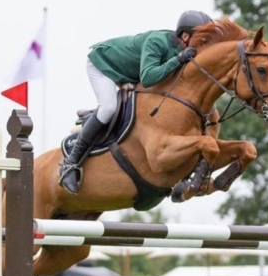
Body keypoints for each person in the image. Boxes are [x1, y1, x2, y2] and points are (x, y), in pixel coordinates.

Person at [59, 10, 214, 194]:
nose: (205, 45)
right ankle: (70, 163)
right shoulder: (157, 41)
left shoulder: (186, 49)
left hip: (129, 73)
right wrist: (178, 59)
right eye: (202, 40)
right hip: (103, 65)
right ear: (185, 36)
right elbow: (148, 78)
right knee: (108, 108)